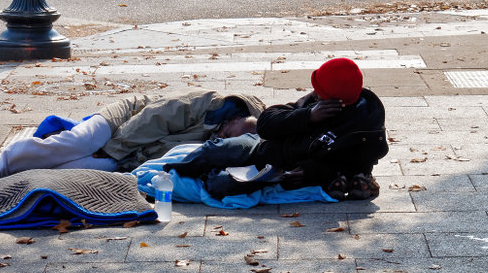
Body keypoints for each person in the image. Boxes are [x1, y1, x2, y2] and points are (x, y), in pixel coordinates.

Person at [165, 57, 388, 201]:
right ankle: (170, 173)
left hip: (281, 169)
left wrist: (313, 172)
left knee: (219, 185)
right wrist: (307, 115)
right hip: (264, 146)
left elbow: (354, 164)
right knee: (213, 150)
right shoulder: (316, 102)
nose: (315, 92)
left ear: (333, 97)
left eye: (319, 91)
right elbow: (266, 123)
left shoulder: (364, 126)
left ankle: (210, 176)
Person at [0, 89, 265, 181]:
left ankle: (8, 178)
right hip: (121, 122)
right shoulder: (208, 105)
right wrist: (112, 150)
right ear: (237, 115)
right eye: (238, 125)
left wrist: (120, 162)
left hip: (130, 154)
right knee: (80, 143)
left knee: (77, 169)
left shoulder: (222, 142)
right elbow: (150, 120)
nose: (228, 135)